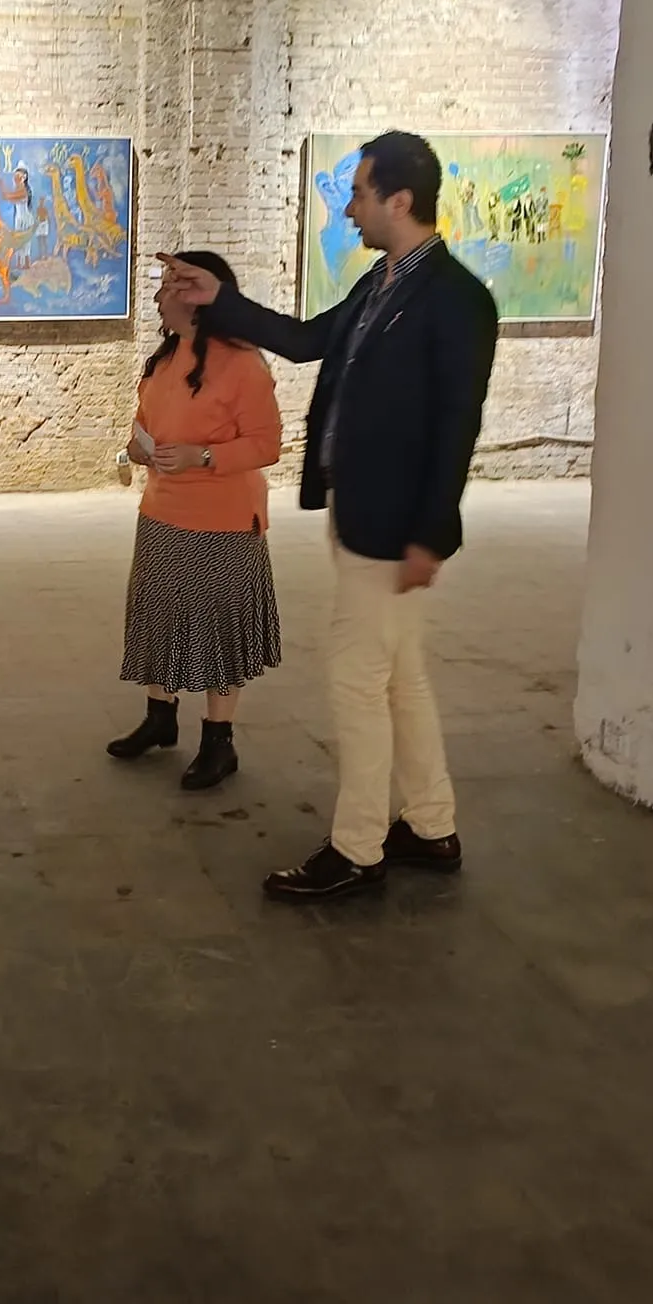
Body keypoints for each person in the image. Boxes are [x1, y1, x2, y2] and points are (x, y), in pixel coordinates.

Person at [160, 130, 498, 901]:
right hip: (361, 512)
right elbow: (308, 340)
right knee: (400, 677)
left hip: (393, 527)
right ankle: (431, 824)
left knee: (356, 682)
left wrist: (429, 533)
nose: (349, 210)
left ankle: (358, 849)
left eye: (359, 194)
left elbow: (457, 426)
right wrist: (219, 300)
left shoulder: (456, 300)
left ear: (399, 201)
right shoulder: (381, 283)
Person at [109, 251, 284, 791]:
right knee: (158, 617)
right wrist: (137, 449)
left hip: (223, 521)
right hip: (162, 512)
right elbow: (144, 424)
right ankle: (159, 717)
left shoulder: (242, 363)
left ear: (199, 298)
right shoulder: (164, 360)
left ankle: (218, 741)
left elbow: (266, 444)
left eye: (169, 286)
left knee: (216, 629)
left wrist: (202, 457)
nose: (158, 295)